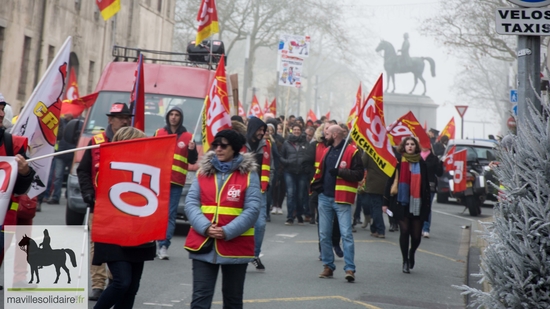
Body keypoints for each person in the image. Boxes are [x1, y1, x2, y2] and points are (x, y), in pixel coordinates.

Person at [184, 129, 260, 309]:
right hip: (204, 242)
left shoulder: (249, 174)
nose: (218, 149)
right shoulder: (203, 171)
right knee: (200, 299)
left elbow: (253, 209)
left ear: (234, 148)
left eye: (223, 145)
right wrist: (205, 227)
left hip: (235, 245)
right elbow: (191, 203)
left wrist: (227, 231)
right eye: (216, 145)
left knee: (232, 300)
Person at [91, 126, 156, 309]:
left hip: (138, 232)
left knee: (132, 287)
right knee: (122, 282)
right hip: (114, 233)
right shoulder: (107, 167)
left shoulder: (146, 167)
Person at [77, 102, 132, 301]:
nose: (125, 120)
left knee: (119, 243)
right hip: (99, 204)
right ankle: (98, 285)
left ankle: (113, 279)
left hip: (123, 206)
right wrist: (88, 194)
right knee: (97, 245)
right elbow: (83, 170)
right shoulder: (96, 141)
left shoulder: (132, 142)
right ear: (110, 119)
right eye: (121, 117)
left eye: (127, 117)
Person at [311, 125, 363, 282]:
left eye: (327, 134)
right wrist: (316, 188)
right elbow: (320, 171)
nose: (324, 136)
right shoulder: (327, 151)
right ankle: (328, 266)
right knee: (324, 234)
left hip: (342, 199)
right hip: (325, 198)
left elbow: (359, 174)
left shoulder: (352, 151)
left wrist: (340, 171)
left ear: (335, 134)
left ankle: (350, 269)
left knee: (346, 234)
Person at [0, 94, 35, 291]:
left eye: (2, 108)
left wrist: (24, 173)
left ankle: (19, 276)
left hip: (4, 215)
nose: (1, 112)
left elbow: (21, 188)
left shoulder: (13, 144)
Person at [154, 106, 198, 260]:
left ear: (181, 118)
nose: (173, 117)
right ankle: (153, 242)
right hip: (158, 181)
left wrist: (192, 150)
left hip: (176, 182)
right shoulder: (159, 133)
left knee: (170, 214)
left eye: (177, 115)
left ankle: (164, 245)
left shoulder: (188, 137)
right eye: (171, 114)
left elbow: (192, 160)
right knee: (156, 213)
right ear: (168, 117)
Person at [383, 137, 431, 274]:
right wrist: (385, 203)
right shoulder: (398, 162)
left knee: (416, 236)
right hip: (401, 202)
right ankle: (405, 260)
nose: (410, 146)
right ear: (403, 147)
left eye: (412, 144)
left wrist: (427, 205)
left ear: (416, 147)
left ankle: (412, 252)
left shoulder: (422, 163)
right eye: (407, 144)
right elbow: (389, 181)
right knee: (404, 231)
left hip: (417, 202)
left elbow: (426, 185)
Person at [242, 116, 271, 271]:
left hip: (260, 190)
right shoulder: (240, 145)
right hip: (241, 190)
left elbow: (269, 166)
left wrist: (268, 182)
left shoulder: (267, 145)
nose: (262, 133)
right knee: (242, 223)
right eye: (260, 129)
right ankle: (239, 253)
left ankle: (254, 255)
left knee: (260, 224)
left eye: (263, 130)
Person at [39, 113, 76, 206]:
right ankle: (55, 197)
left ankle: (69, 196)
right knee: (58, 177)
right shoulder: (60, 121)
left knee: (71, 177)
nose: (66, 114)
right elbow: (57, 135)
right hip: (61, 152)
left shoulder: (78, 123)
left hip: (72, 153)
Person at [279, 123, 312, 225]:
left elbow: (309, 157)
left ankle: (299, 215)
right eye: (295, 129)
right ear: (291, 130)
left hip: (302, 173)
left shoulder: (306, 143)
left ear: (301, 131)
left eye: (298, 129)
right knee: (291, 193)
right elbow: (281, 157)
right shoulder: (286, 143)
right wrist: (287, 162)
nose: (296, 131)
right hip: (289, 171)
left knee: (300, 195)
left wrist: (306, 167)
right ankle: (290, 217)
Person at [362, 151, 390, 238]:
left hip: (373, 183)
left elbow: (363, 163)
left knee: (376, 207)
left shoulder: (370, 150)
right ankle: (374, 228)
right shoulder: (386, 150)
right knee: (375, 206)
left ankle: (380, 229)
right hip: (385, 182)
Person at [421, 146, 443, 238]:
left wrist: (441, 164)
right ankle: (418, 227)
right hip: (417, 185)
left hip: (430, 186)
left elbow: (439, 173)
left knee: (427, 207)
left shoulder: (434, 158)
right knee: (417, 206)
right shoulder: (416, 156)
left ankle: (426, 229)